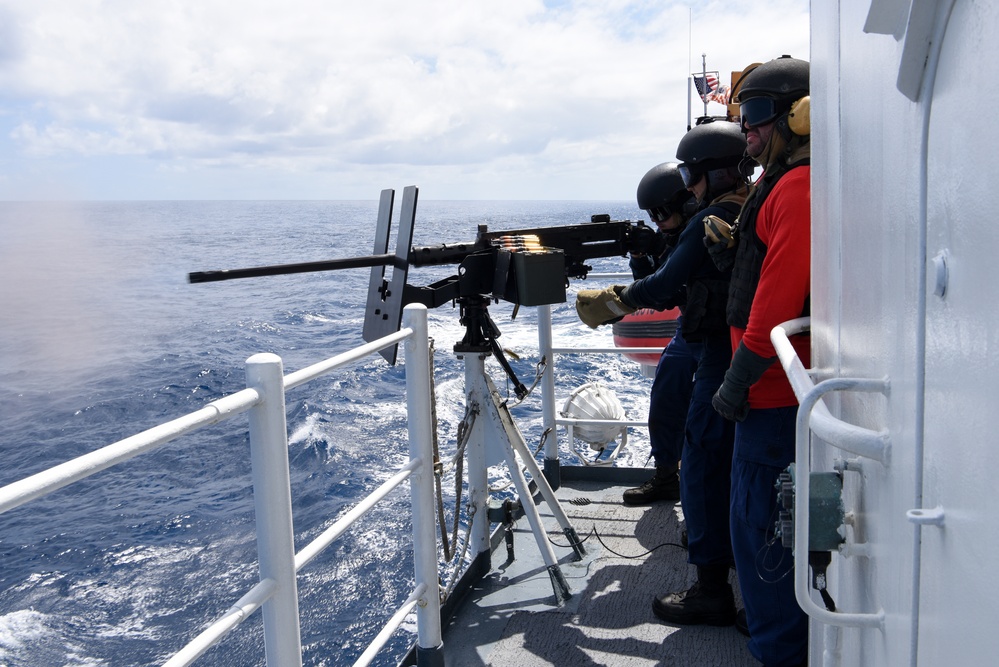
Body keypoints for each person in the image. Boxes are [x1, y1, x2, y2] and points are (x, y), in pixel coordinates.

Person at [576, 119, 749, 625]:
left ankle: (712, 585)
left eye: (694, 177)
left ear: (711, 177)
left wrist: (614, 300)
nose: (691, 186)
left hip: (720, 345)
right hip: (706, 339)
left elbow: (668, 284)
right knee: (674, 412)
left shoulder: (712, 217)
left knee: (703, 456)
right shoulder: (736, 207)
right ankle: (667, 480)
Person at [708, 55, 811, 667]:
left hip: (771, 396)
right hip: (769, 391)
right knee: (759, 527)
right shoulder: (779, 186)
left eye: (754, 114)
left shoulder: (796, 187)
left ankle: (779, 653)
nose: (744, 129)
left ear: (797, 116)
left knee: (763, 534)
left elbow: (774, 309)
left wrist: (735, 382)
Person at [620, 162, 698, 505]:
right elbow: (658, 288)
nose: (657, 220)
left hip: (719, 332)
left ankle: (703, 494)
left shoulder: (701, 229)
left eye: (662, 211)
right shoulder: (672, 239)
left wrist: (655, 252)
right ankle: (667, 474)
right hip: (691, 329)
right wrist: (641, 253)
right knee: (665, 398)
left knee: (706, 417)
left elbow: (665, 287)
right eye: (652, 214)